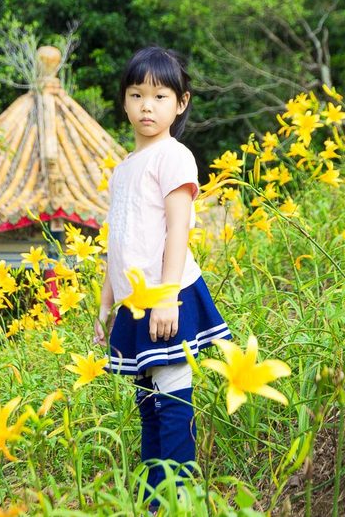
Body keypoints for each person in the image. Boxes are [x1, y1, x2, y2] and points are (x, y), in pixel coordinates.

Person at [93, 45, 232, 510]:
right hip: (135, 304)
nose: (146, 107)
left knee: (172, 403)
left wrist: (169, 296)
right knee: (148, 407)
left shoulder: (174, 156)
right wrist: (106, 304)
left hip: (169, 295)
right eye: (136, 95)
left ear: (181, 102)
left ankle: (178, 500)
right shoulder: (122, 170)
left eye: (159, 96)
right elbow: (119, 241)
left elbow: (178, 230)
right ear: (124, 101)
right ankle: (156, 500)